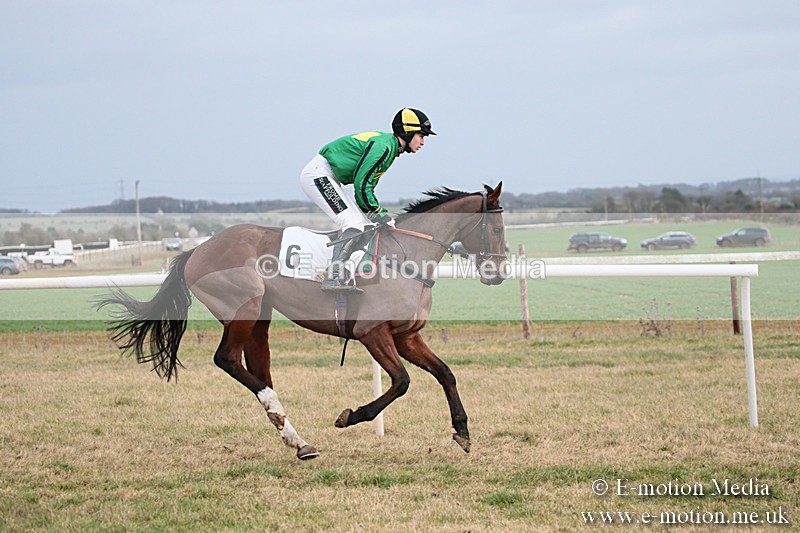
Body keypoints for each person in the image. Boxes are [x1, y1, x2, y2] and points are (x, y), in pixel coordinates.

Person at [300, 108, 435, 291]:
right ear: (407, 131)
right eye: (421, 135)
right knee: (353, 224)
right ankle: (332, 277)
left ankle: (344, 273)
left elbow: (364, 190)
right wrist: (381, 214)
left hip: (329, 176)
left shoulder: (390, 149)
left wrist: (377, 216)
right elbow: (362, 186)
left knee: (364, 227)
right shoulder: (384, 148)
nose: (423, 142)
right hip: (318, 175)